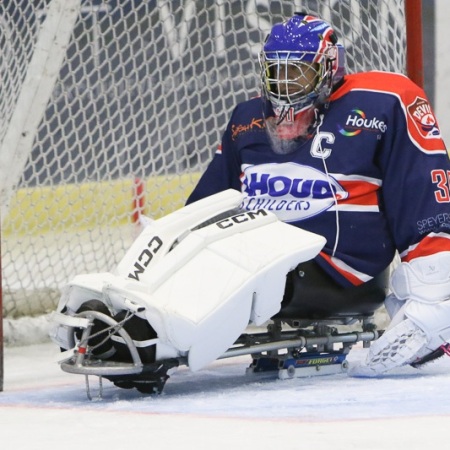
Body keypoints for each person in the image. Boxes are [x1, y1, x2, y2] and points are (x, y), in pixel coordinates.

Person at [186, 12, 450, 376]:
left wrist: (432, 293)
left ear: (329, 67)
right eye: (276, 72)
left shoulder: (382, 101)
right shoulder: (248, 117)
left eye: (297, 72)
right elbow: (208, 203)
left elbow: (419, 188)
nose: (285, 85)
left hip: (333, 269)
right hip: (254, 259)